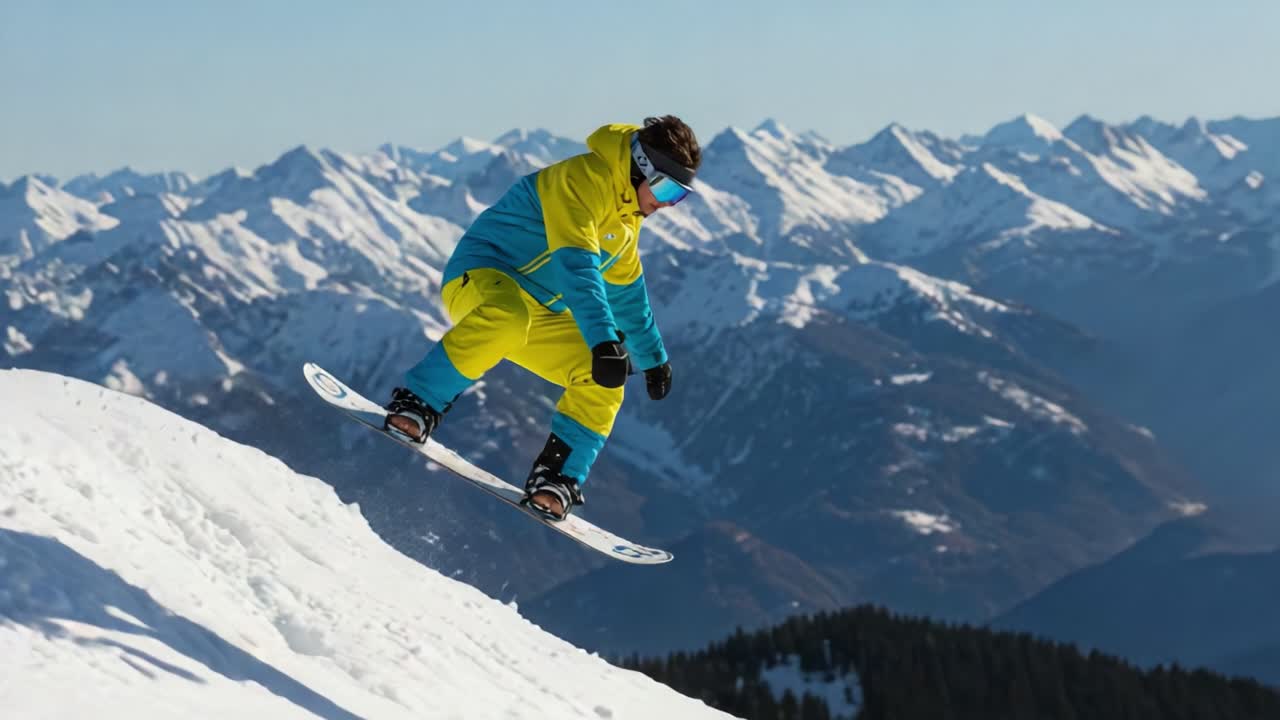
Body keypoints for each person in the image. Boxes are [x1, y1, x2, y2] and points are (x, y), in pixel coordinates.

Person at [384, 116, 701, 520]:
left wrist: (653, 357)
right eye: (665, 188)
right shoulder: (581, 181)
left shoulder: (625, 221)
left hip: (540, 313)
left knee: (603, 374)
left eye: (680, 195)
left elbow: (627, 292)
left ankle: (557, 477)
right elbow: (578, 269)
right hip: (481, 277)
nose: (666, 204)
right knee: (508, 317)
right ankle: (418, 403)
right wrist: (604, 339)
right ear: (640, 165)